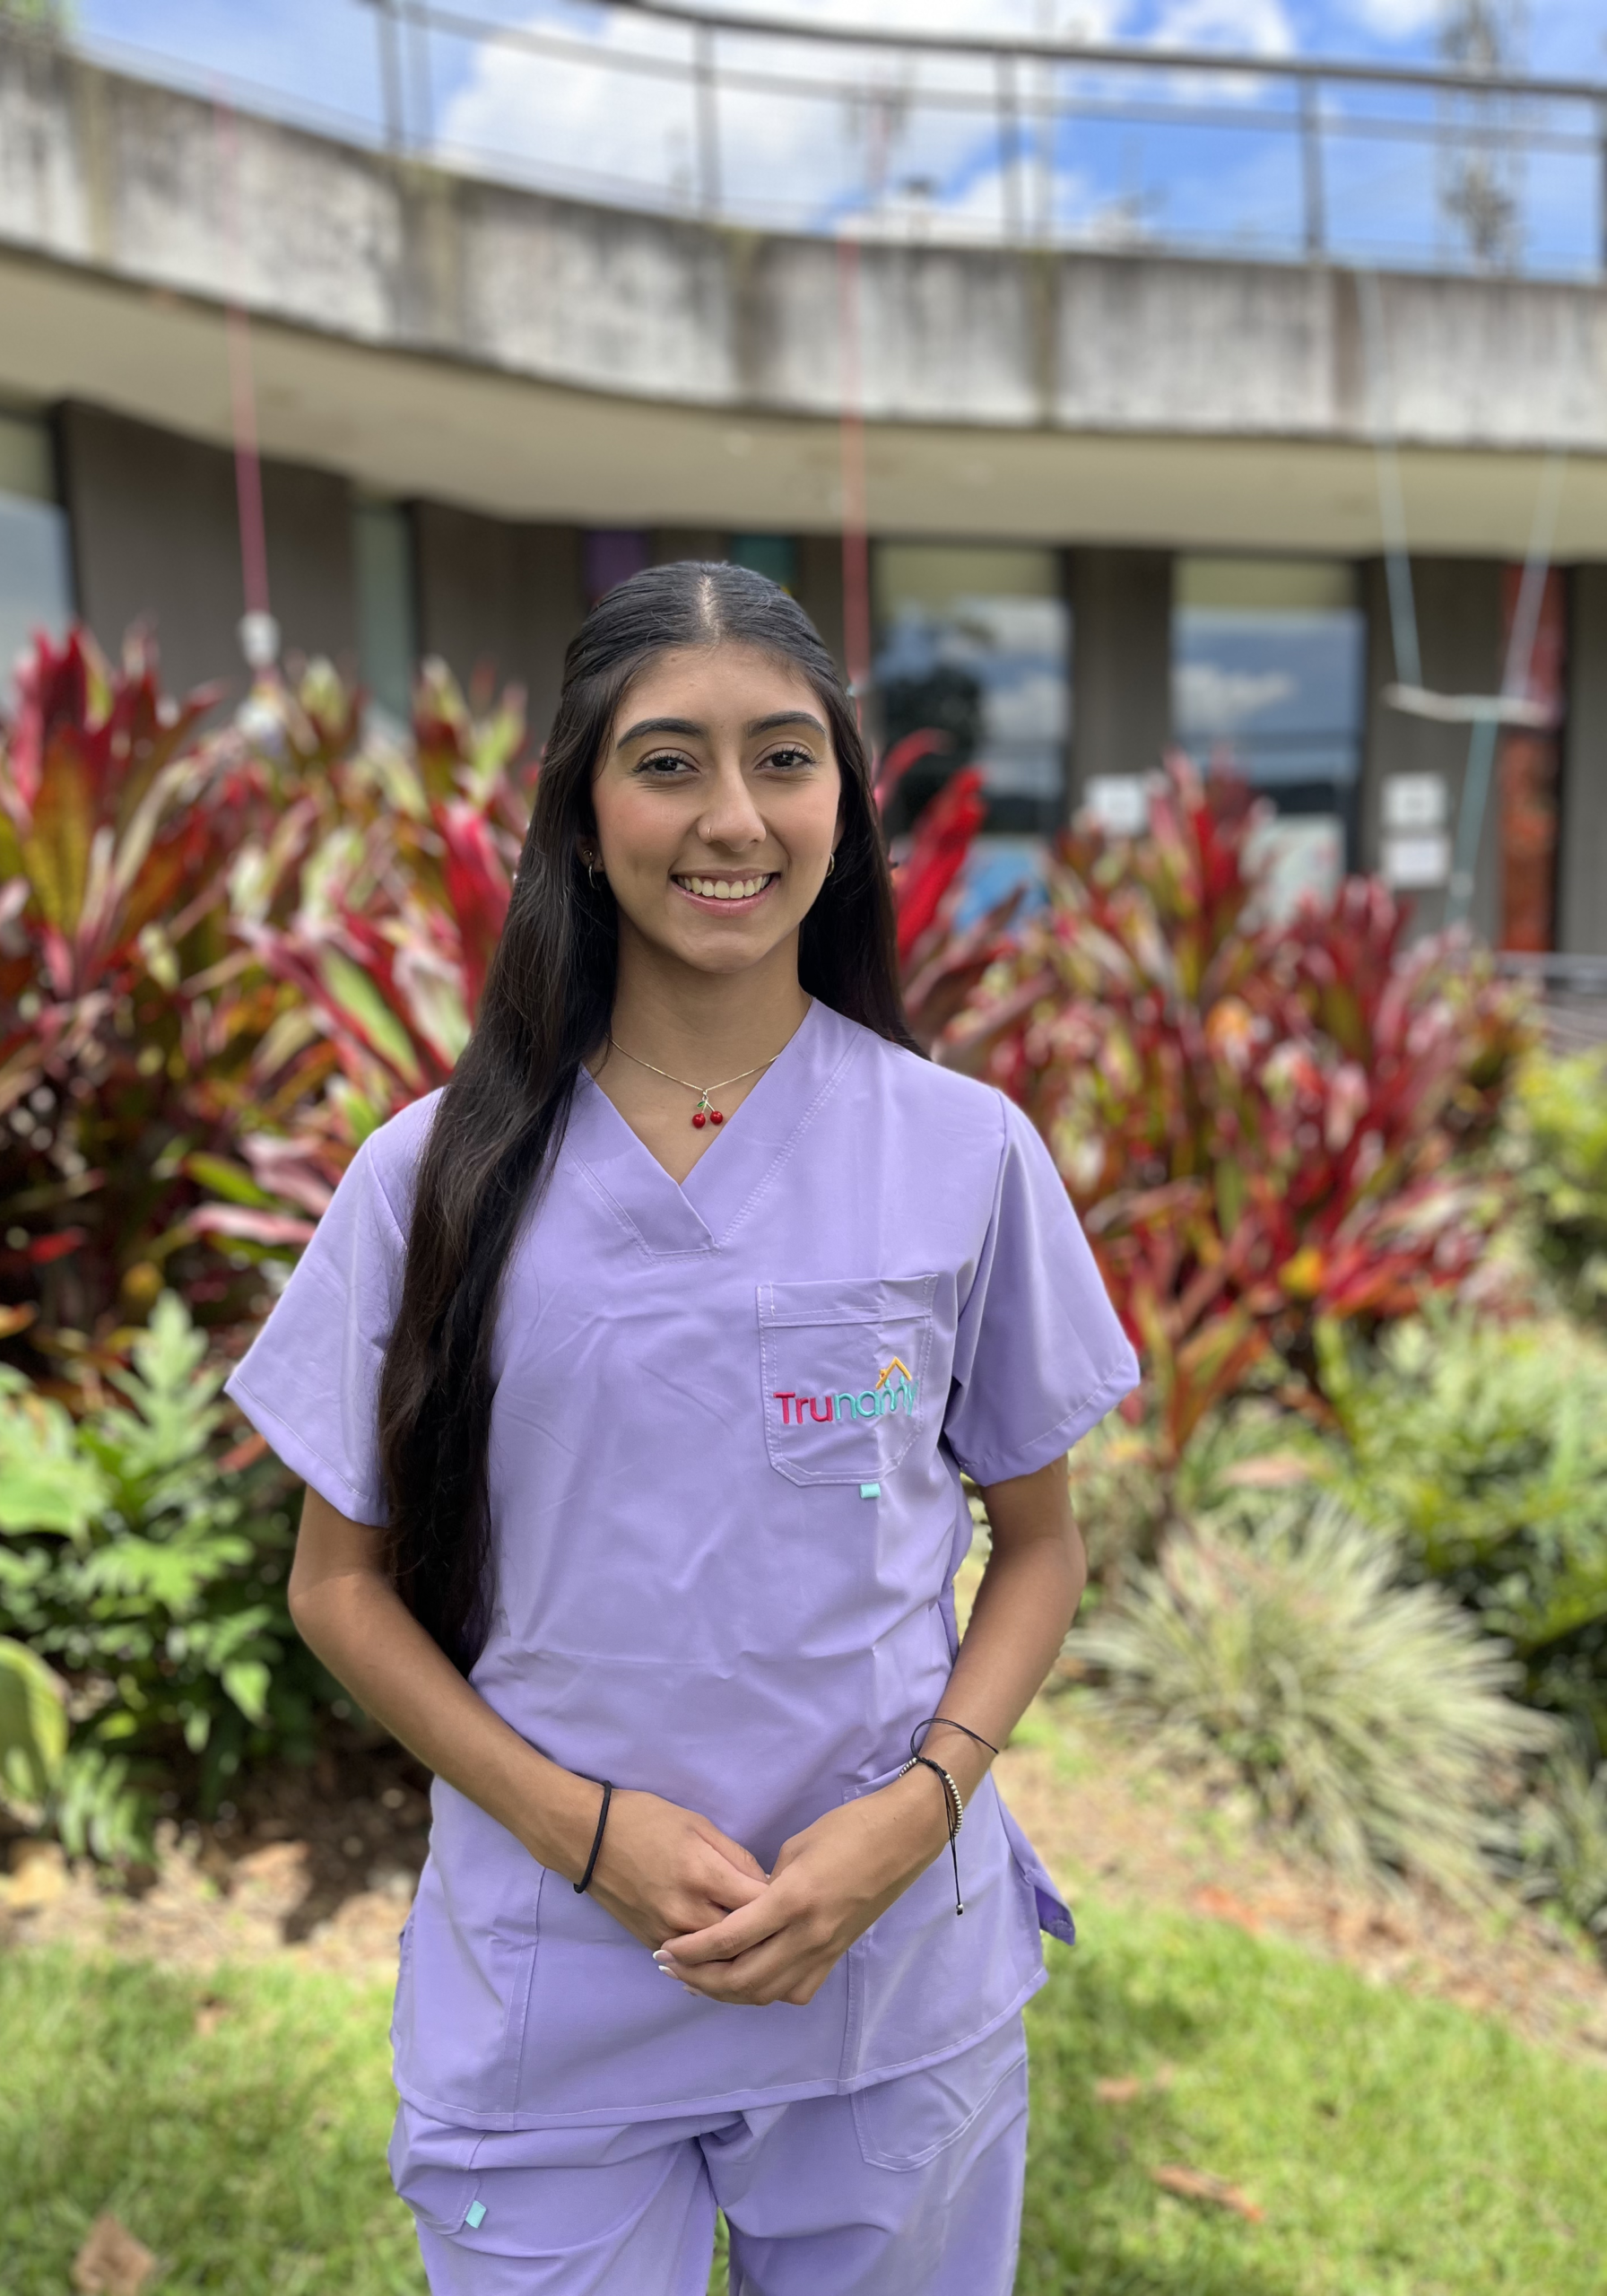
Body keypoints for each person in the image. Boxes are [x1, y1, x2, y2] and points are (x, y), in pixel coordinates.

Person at [225, 561, 1139, 2294]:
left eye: (784, 759)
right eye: (667, 764)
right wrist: (584, 1833)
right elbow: (339, 1589)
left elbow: (1041, 1547)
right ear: (582, 818)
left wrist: (918, 1811)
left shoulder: (963, 1153)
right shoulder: (433, 1177)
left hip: (888, 1981)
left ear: (843, 811)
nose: (734, 817)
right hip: (551, 1983)